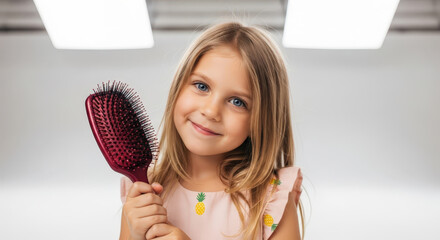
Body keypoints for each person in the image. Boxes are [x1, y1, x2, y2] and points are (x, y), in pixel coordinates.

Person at [119, 21, 305, 240]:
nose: (210, 111)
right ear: (178, 87)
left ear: (261, 122)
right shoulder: (143, 191)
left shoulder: (272, 200)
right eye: (201, 86)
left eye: (237, 101)